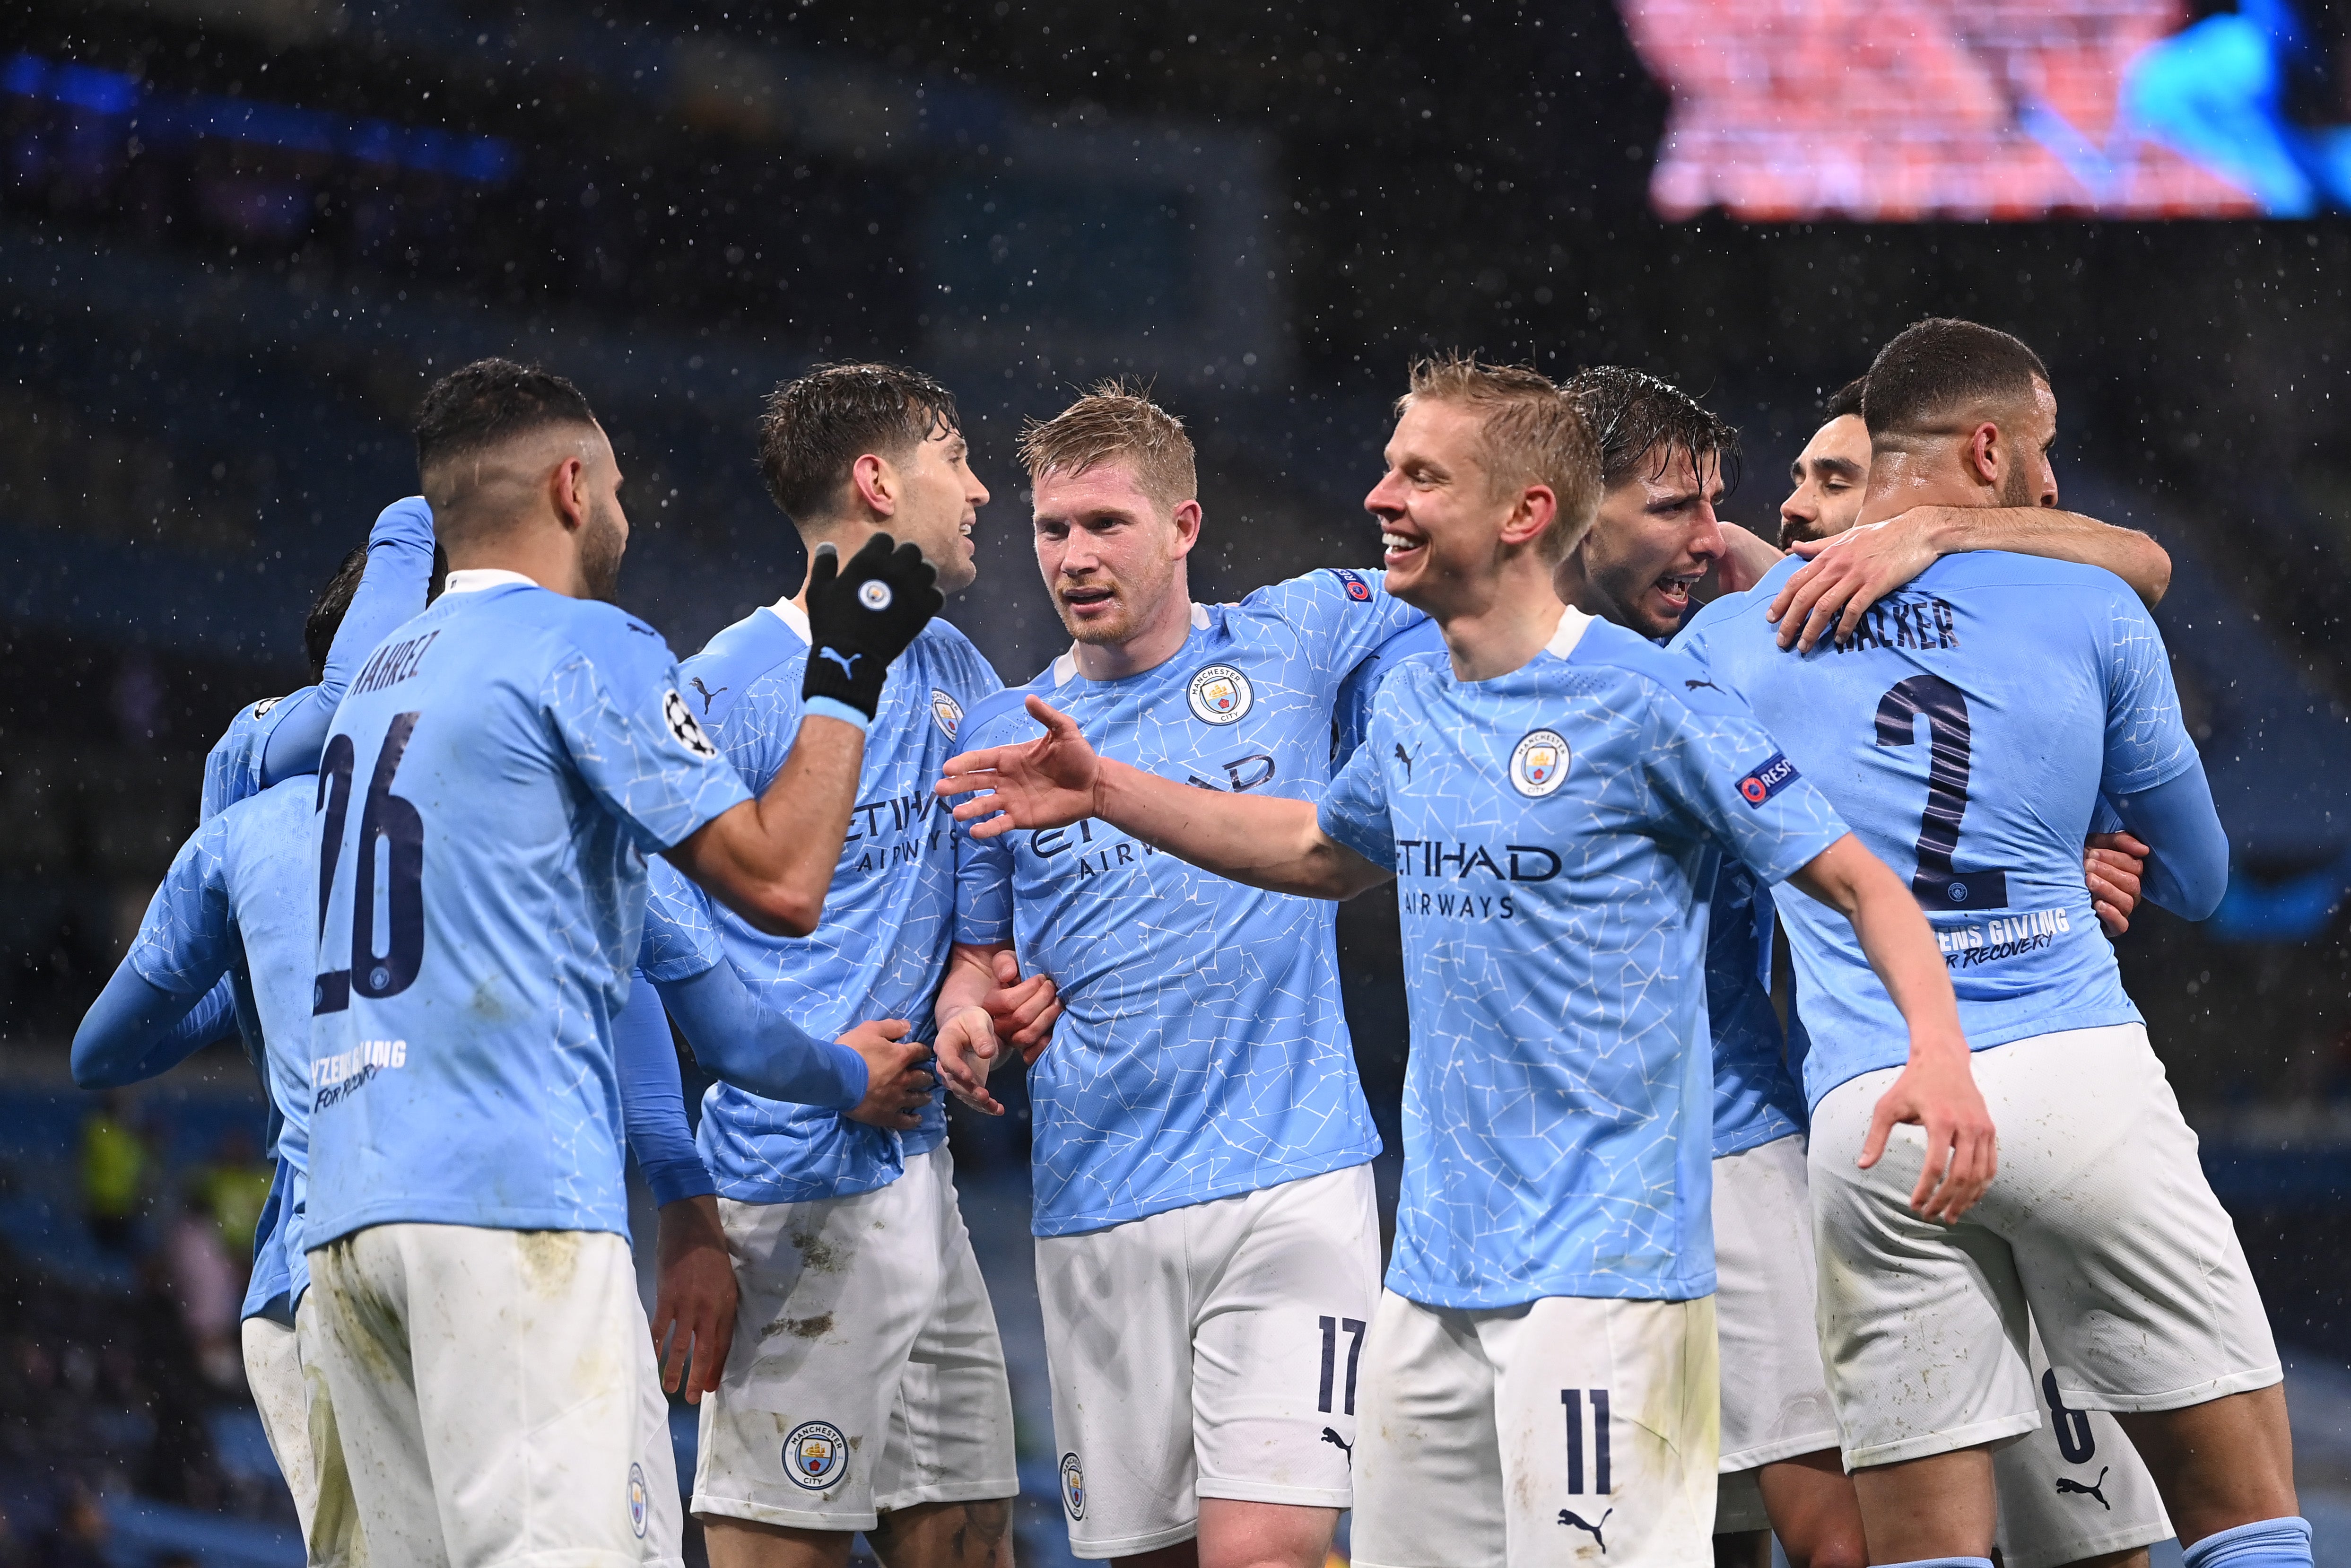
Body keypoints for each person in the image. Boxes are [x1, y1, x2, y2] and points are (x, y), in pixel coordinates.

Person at [939, 355, 1993, 1568]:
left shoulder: (1644, 697)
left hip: (1604, 1274)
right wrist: (1107, 787)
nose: (1380, 495)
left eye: (1418, 474)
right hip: (1430, 1283)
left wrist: (1940, 1054)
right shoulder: (1411, 706)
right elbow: (1314, 846)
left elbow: (1857, 875)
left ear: (1523, 514)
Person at [1672, 318, 2303, 1568]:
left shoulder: (1723, 648)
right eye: (2041, 447)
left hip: (1877, 1105)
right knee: (2242, 1517)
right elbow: (2196, 875)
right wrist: (2079, 826)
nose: (2053, 480)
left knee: (1925, 1550)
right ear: (1983, 446)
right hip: (2076, 1080)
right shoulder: (2087, 600)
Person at [301, 358, 945, 1568]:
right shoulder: (582, 645)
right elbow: (781, 880)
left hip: (350, 1214)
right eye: (617, 490)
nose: (626, 518)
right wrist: (844, 674)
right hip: (506, 1202)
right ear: (568, 486)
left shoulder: (385, 675)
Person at [935, 384, 1422, 1568]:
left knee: (1261, 1550)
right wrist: (976, 1016)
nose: (1074, 556)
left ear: (1183, 527)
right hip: (1099, 1196)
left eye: (1105, 524)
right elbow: (976, 960)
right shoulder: (1003, 729)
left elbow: (1464, 592)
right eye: (1052, 530)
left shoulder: (1299, 631)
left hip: (1290, 1174)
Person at [1769, 375, 2180, 1568]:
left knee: (2086, 1536)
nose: (1797, 508)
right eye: (1792, 479)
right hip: (1770, 1140)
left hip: (1948, 1114)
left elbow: (2138, 559)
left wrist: (1936, 529)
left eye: (1835, 480)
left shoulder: (2000, 642)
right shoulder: (1743, 628)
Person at [670, 362, 1036, 1568]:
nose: (981, 489)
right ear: (879, 479)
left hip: (919, 1176)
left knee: (969, 1531)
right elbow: (643, 953)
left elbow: (978, 913)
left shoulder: (954, 671)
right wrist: (817, 1075)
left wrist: (976, 991)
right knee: (778, 1542)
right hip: (782, 1189)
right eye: (957, 456)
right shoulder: (723, 690)